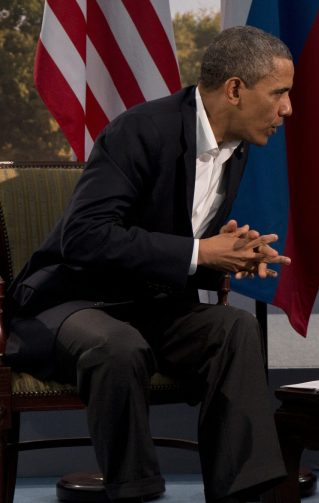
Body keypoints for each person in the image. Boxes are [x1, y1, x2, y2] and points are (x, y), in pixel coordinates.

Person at [6, 26, 294, 503]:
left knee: (235, 330)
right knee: (117, 346)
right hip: (68, 301)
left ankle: (249, 495)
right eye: (279, 94)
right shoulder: (140, 130)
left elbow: (169, 243)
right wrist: (200, 252)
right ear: (236, 89)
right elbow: (84, 238)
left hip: (147, 303)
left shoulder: (236, 150)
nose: (287, 109)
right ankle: (135, 494)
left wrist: (226, 258)